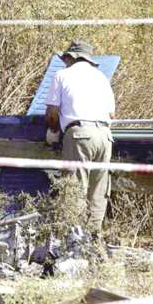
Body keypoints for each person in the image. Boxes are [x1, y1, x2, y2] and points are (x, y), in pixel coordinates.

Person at [44, 41, 115, 236]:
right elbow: (112, 114)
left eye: (65, 58)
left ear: (71, 57)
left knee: (74, 189)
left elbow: (52, 112)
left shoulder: (62, 75)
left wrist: (53, 131)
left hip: (79, 134)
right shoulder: (101, 78)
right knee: (98, 191)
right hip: (105, 136)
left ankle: (72, 240)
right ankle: (92, 239)